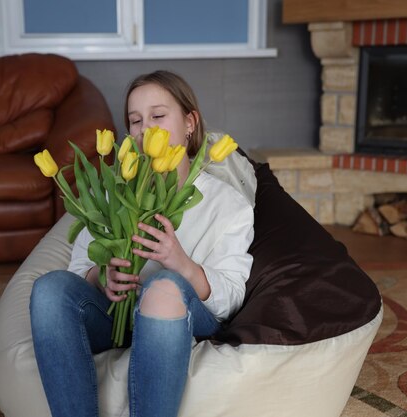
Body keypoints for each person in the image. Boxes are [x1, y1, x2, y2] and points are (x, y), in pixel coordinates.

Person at [29, 70, 255, 417]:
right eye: (135, 121)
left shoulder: (228, 205)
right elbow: (77, 271)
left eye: (158, 116)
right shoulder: (113, 192)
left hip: (181, 317)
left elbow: (231, 299)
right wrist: (100, 277)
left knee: (164, 287)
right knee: (48, 289)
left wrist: (180, 264)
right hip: (115, 317)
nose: (145, 129)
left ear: (190, 122)